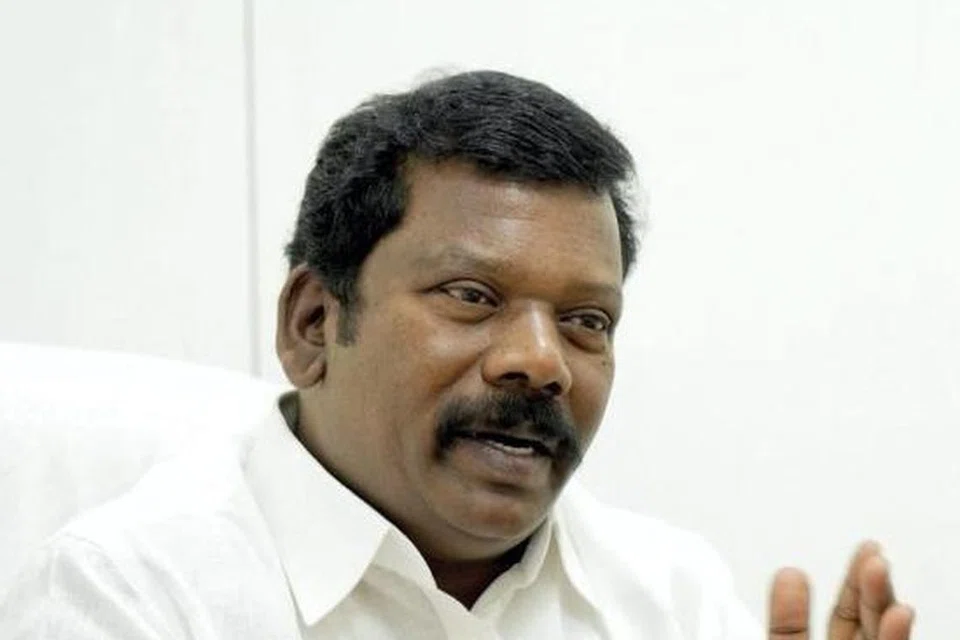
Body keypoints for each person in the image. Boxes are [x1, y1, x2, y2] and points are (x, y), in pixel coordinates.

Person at [0, 71, 913, 639]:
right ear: (313, 323)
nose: (542, 362)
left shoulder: (671, 596)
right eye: (472, 297)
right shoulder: (126, 598)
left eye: (586, 320)